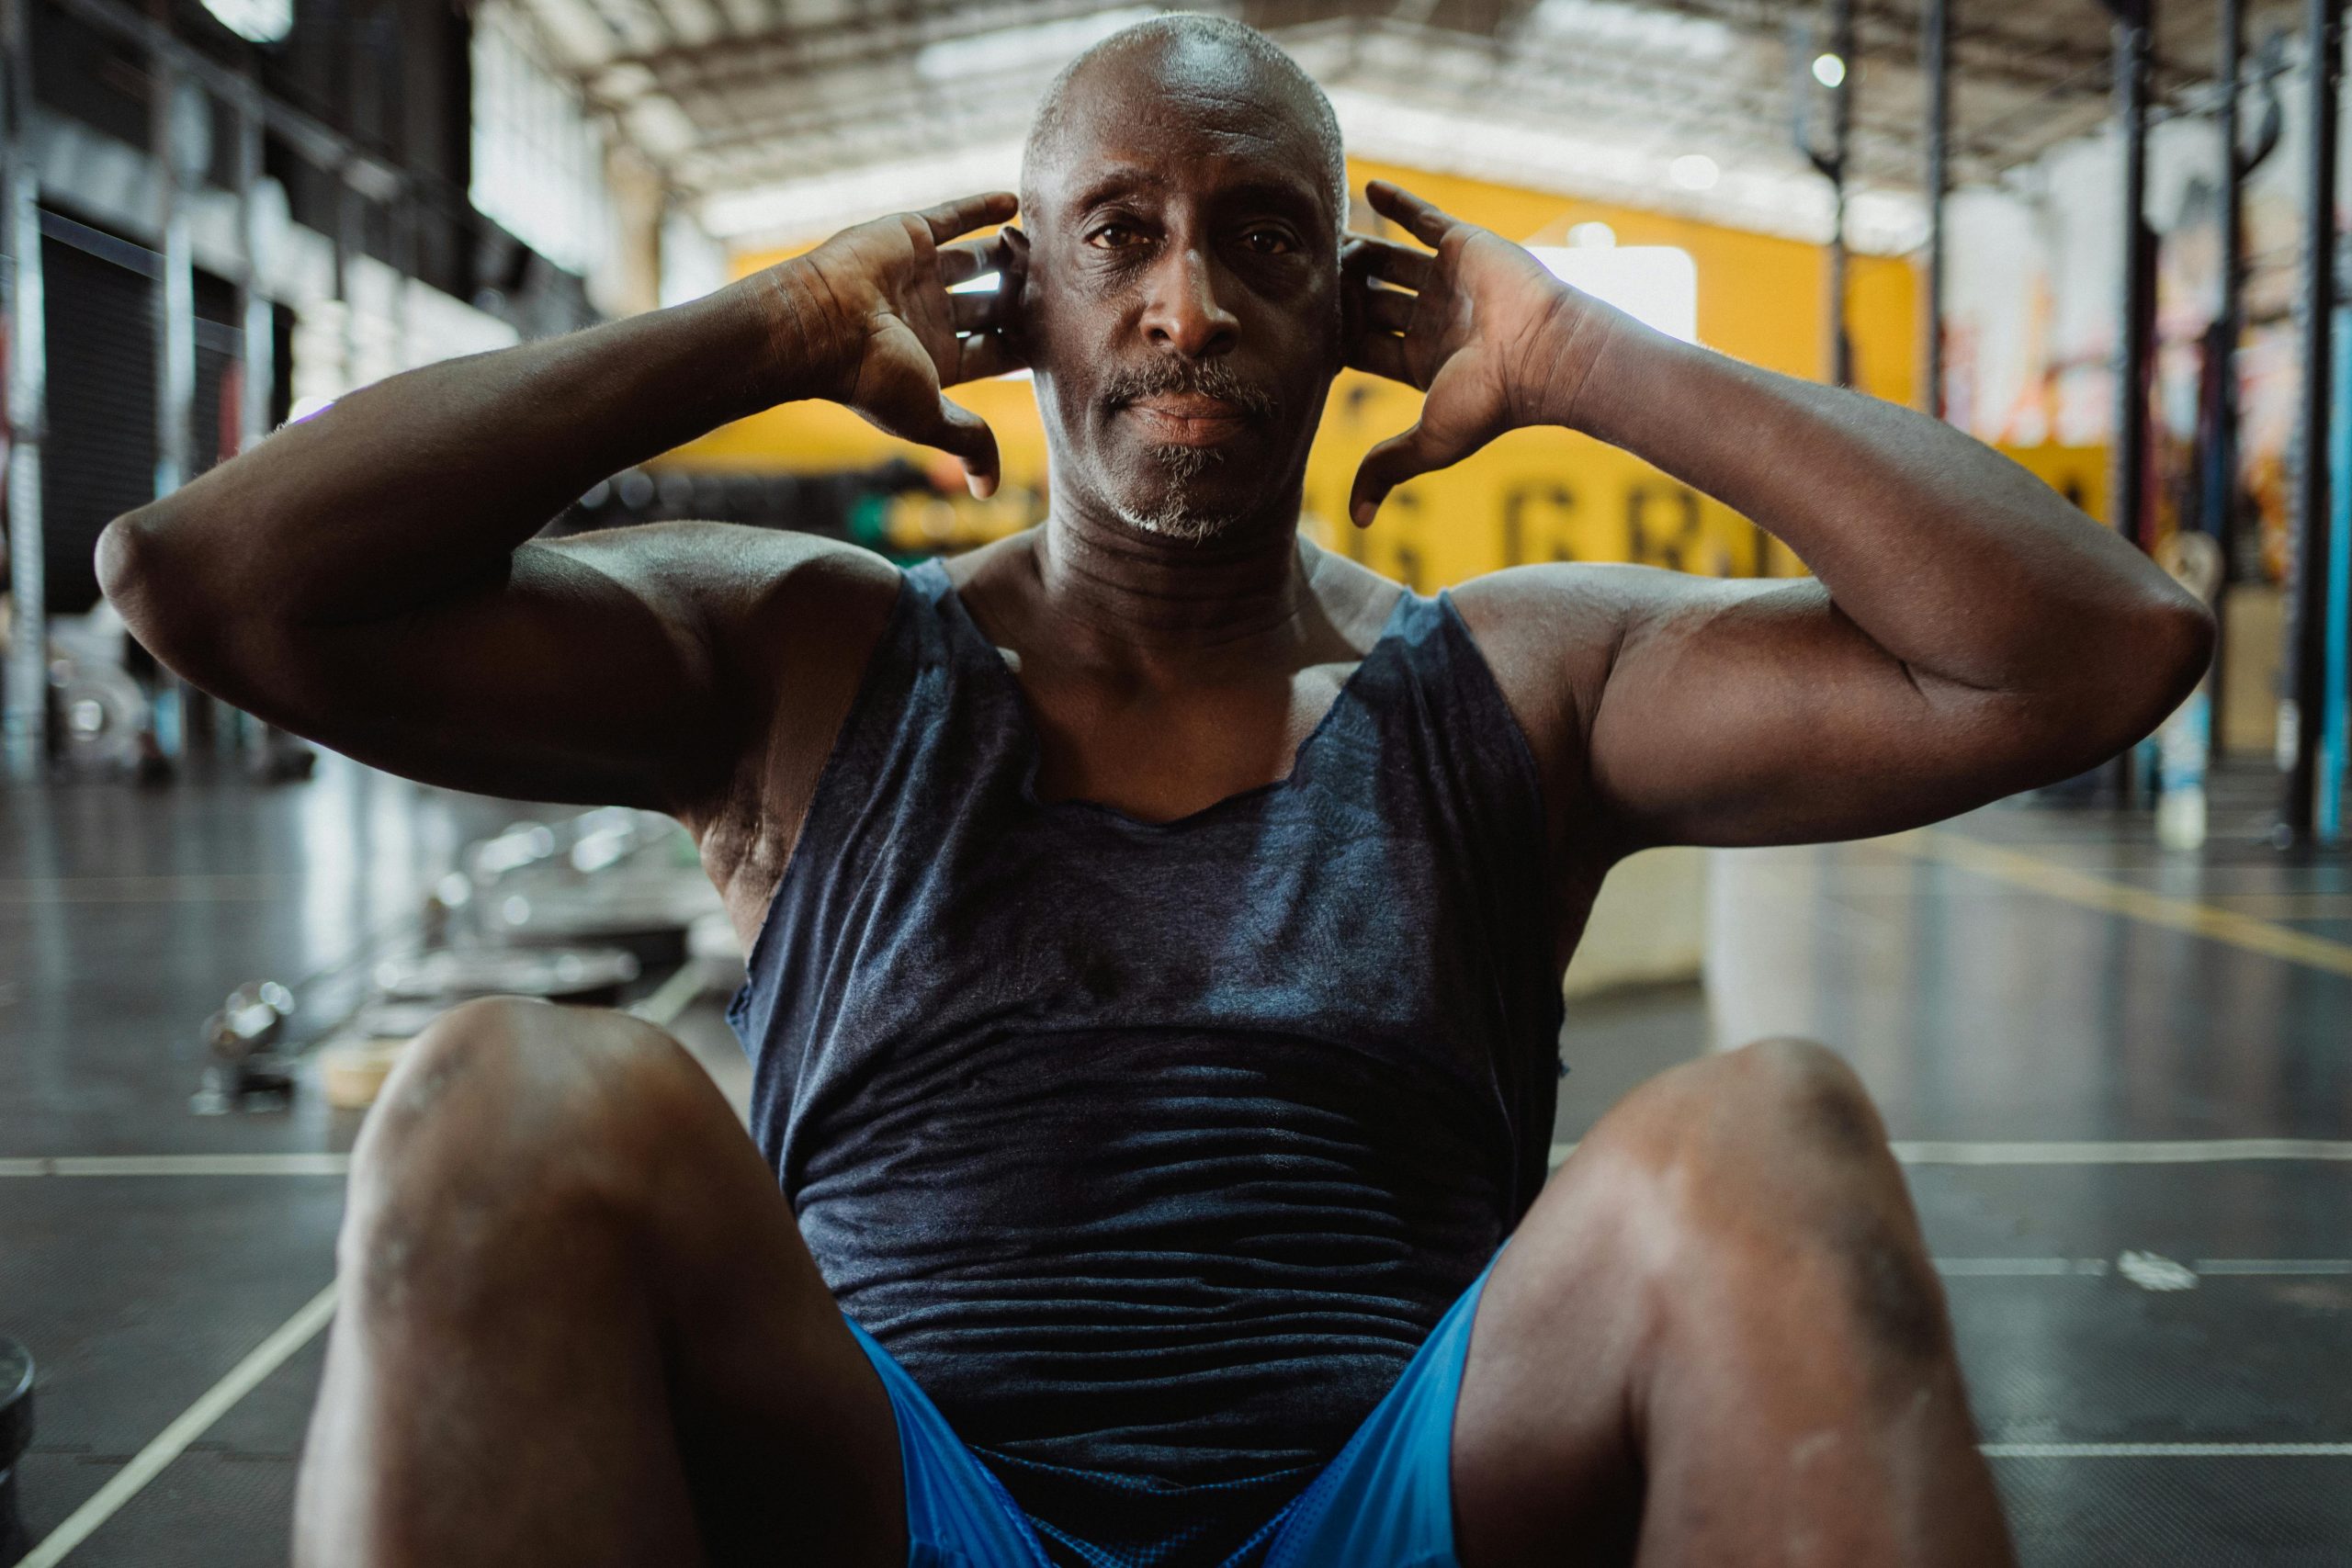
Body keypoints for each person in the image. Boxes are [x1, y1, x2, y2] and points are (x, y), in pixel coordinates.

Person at [97, 16, 2210, 1568]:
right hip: (893, 1501)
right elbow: (212, 582)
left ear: (1346, 310)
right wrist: (766, 328)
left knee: (1770, 1134)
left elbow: (2088, 647)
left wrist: (1582, 358)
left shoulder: (1511, 682)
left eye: (1259, 237)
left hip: (1392, 1503)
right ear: (1017, 298)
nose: (1185, 299)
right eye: (1118, 234)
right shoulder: (809, 661)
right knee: (496, 1099)